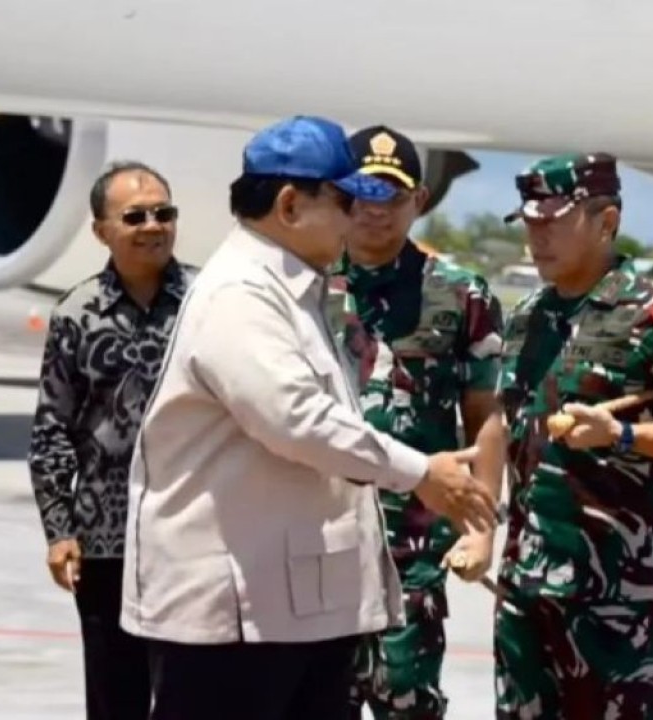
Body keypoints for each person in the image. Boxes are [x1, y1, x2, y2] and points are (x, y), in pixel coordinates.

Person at [118, 115, 499, 720]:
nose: (358, 218)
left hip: (282, 608)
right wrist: (420, 471)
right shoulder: (242, 295)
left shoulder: (294, 290)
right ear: (291, 205)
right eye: (346, 201)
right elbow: (298, 420)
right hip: (232, 618)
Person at [472, 152, 653, 719]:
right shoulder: (528, 316)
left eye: (554, 220)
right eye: (530, 221)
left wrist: (621, 435)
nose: (538, 235)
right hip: (528, 584)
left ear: (607, 222)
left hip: (618, 594)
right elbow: (506, 422)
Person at [331, 125, 505, 720]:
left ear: (420, 202)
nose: (374, 210)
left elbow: (483, 418)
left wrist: (480, 526)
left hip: (410, 545)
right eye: (360, 194)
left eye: (392, 195)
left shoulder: (461, 295)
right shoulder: (301, 287)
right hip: (312, 537)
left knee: (406, 700)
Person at [27, 160, 196, 720]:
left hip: (194, 536)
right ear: (101, 230)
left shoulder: (208, 301)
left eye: (164, 213)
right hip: (106, 541)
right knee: (113, 697)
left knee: (194, 696)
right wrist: (59, 530)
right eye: (135, 216)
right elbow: (53, 426)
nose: (154, 225)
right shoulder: (75, 314)